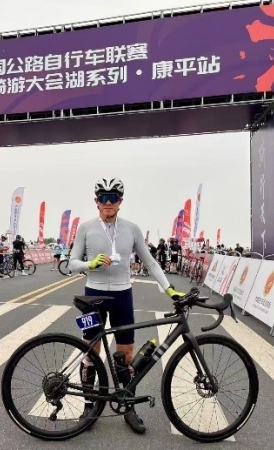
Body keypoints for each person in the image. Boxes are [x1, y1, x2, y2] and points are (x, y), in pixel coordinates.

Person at [69, 177, 185, 434]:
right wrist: (90, 264)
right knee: (90, 352)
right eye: (103, 197)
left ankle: (128, 406)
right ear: (96, 201)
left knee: (126, 354)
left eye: (113, 197)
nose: (108, 202)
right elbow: (71, 262)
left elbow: (151, 262)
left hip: (123, 295)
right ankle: (88, 406)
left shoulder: (131, 228)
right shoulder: (86, 228)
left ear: (120, 201)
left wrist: (169, 289)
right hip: (94, 294)